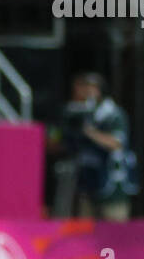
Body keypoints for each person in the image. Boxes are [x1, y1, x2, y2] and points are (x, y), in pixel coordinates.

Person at [59, 73, 138, 220]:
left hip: (110, 185)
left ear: (97, 90)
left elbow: (116, 143)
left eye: (85, 90)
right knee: (85, 234)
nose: (81, 94)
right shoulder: (78, 113)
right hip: (88, 184)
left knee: (114, 234)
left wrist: (90, 132)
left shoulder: (112, 114)